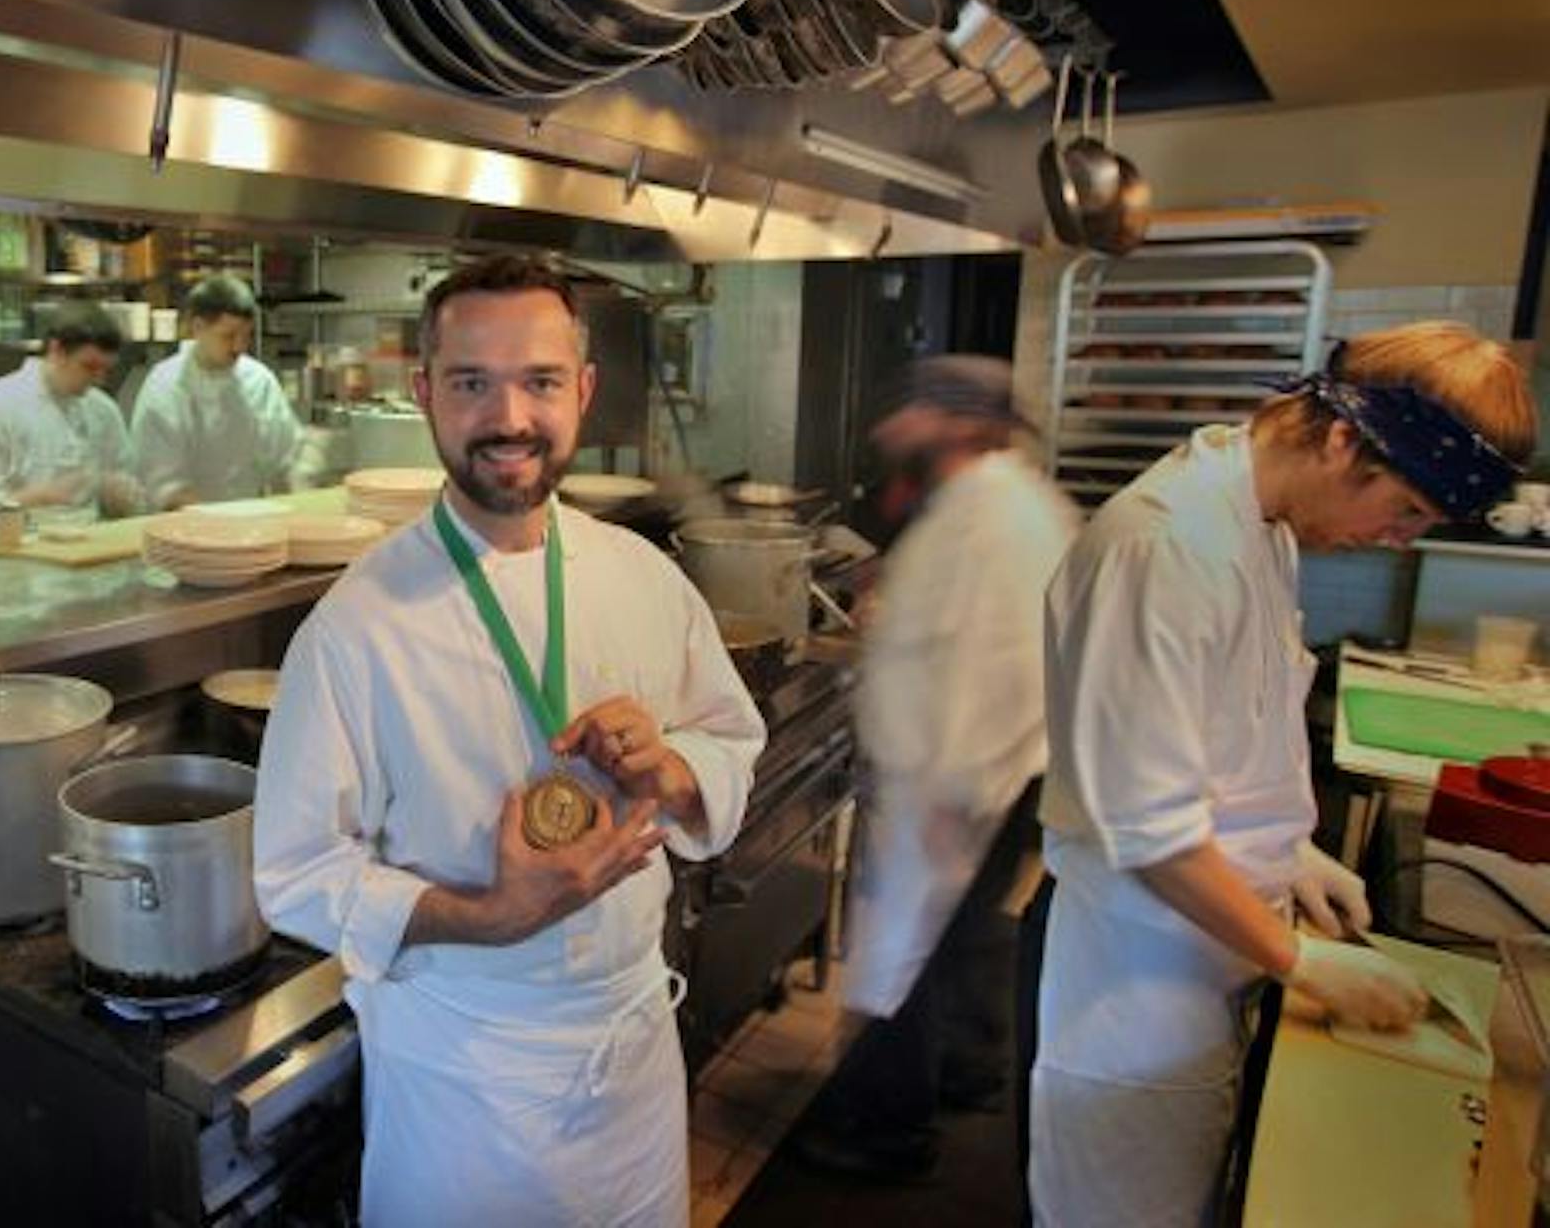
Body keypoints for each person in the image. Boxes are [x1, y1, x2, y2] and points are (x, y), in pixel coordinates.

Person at [253, 255, 765, 1226]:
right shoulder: (354, 627)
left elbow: (730, 739)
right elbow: (294, 871)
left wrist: (675, 770)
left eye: (538, 381)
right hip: (465, 1080)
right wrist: (485, 915)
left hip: (633, 1055)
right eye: (471, 382)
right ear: (424, 396)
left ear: (584, 390)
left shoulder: (645, 578)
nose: (510, 419)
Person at [1028, 322, 1538, 1226]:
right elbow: (1149, 828)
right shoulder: (1167, 549)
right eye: (1407, 511)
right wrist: (1301, 960)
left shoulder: (1263, 519)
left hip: (1215, 941)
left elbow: (1227, 730)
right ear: (1343, 441)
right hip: (1140, 971)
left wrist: (1292, 853)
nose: (1398, 540)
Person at [794, 356, 1078, 1181]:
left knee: (906, 952)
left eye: (908, 412)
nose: (890, 428)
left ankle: (887, 1135)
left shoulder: (989, 519)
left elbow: (993, 665)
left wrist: (946, 792)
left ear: (953, 424)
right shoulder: (1007, 498)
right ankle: (969, 1072)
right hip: (999, 774)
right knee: (962, 937)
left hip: (958, 780)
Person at [0, 302, 141, 529]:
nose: (99, 380)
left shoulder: (103, 410)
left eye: (105, 369)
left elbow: (129, 492)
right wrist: (38, 498)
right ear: (57, 350)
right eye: (89, 367)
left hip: (88, 550)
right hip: (14, 556)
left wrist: (121, 497)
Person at [128, 273, 300, 507]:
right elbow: (164, 487)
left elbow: (286, 461)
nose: (239, 347)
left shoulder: (259, 380)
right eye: (228, 336)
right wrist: (218, 524)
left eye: (246, 336)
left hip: (251, 523)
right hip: (184, 529)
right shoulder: (165, 387)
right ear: (198, 328)